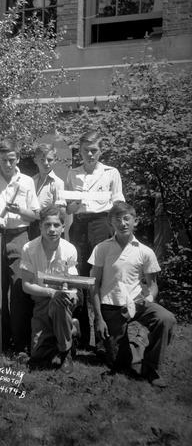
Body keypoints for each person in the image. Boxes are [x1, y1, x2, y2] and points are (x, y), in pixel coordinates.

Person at [89, 201, 176, 388]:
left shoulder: (145, 251)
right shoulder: (102, 248)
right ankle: (136, 345)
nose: (123, 223)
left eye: (127, 218)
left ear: (135, 221)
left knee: (166, 318)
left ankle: (151, 368)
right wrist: (98, 318)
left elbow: (153, 286)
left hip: (137, 304)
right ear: (110, 223)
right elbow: (93, 286)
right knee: (120, 364)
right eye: (117, 219)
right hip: (111, 305)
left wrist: (148, 299)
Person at [0, 138, 40, 353]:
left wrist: (19, 211)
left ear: (18, 159)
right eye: (3, 160)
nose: (7, 164)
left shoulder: (27, 182)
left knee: (18, 289)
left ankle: (20, 342)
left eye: (11, 160)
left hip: (19, 236)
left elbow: (35, 215)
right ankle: (1, 341)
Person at [66, 131, 124, 347]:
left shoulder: (111, 173)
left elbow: (118, 203)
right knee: (79, 277)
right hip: (79, 225)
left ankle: (104, 339)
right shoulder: (73, 173)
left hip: (102, 223)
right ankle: (80, 337)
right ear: (79, 151)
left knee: (102, 276)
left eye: (94, 150)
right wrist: (74, 202)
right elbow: (69, 207)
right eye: (85, 151)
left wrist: (118, 231)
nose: (90, 154)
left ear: (101, 151)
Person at [20, 206, 80, 373]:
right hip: (41, 299)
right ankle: (71, 329)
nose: (51, 230)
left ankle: (65, 352)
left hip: (64, 299)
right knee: (38, 355)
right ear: (40, 226)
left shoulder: (70, 249)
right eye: (47, 225)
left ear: (63, 227)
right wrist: (50, 292)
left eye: (56, 225)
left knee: (59, 303)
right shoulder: (28, 248)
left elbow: (72, 284)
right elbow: (26, 285)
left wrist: (60, 294)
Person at [29, 142, 65, 239]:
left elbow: (61, 211)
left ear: (55, 161)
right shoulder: (31, 181)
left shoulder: (57, 183)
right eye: (42, 159)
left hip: (49, 226)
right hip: (32, 226)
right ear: (35, 160)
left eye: (49, 160)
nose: (46, 163)